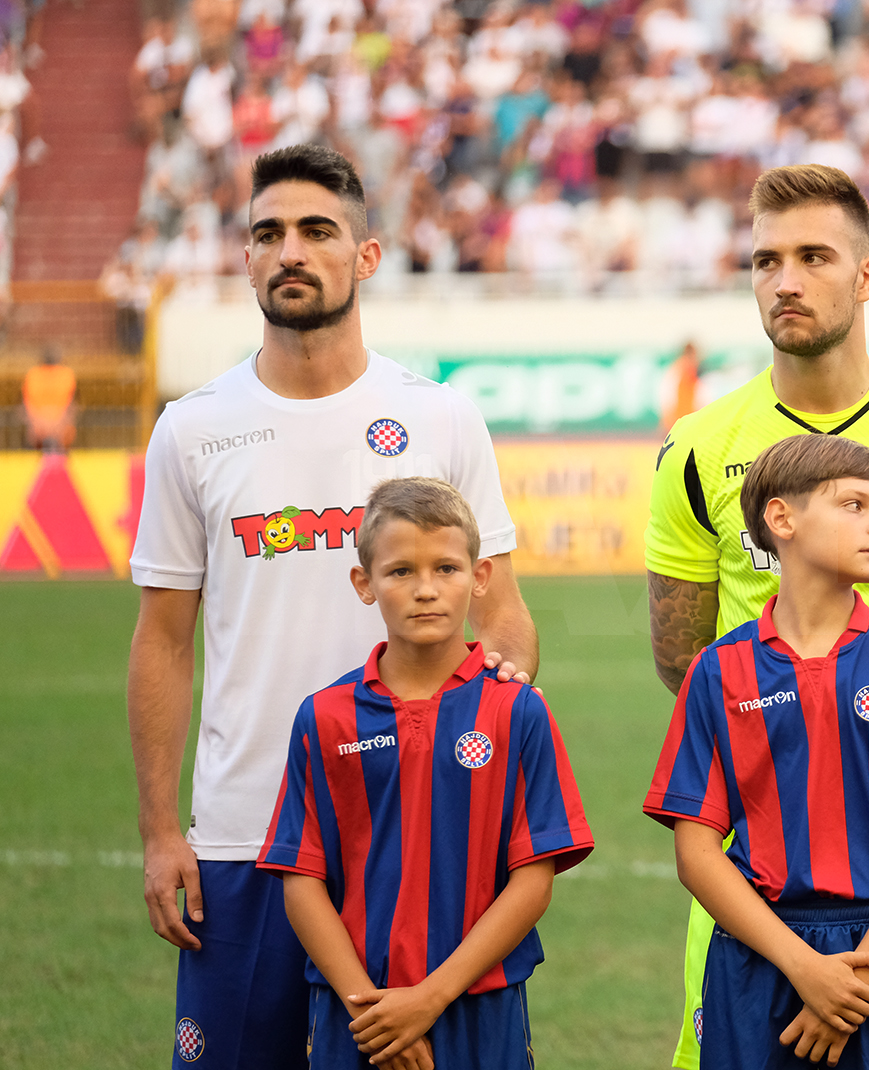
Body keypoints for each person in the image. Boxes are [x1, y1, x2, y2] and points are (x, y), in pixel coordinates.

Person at [127, 143, 536, 1070]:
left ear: (367, 255)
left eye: (318, 231)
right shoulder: (192, 429)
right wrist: (161, 833)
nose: (291, 252)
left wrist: (477, 759)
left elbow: (503, 617)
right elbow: (161, 643)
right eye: (267, 234)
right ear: (245, 259)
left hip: (409, 830)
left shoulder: (439, 419)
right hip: (244, 834)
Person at [645, 163, 869, 1070]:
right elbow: (683, 656)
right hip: (761, 855)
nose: (786, 280)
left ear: (867, 275)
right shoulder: (696, 449)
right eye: (766, 259)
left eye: (815, 256)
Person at [643, 434, 869, 1069]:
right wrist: (805, 968)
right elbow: (696, 854)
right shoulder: (719, 672)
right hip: (761, 955)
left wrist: (853, 984)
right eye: (855, 506)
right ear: (782, 520)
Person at [258, 477, 593, 1070]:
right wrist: (373, 1011)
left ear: (480, 576)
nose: (425, 590)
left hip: (478, 1006)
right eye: (400, 572)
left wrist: (429, 999)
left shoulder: (515, 710)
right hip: (357, 1013)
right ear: (365, 584)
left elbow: (533, 881)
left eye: (445, 568)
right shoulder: (325, 717)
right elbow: (301, 880)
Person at [21, 346, 75, 451]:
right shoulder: (66, 374)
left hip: (43, 425)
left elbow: (27, 404)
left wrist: (38, 422)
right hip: (55, 425)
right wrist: (57, 423)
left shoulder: (33, 374)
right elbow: (72, 404)